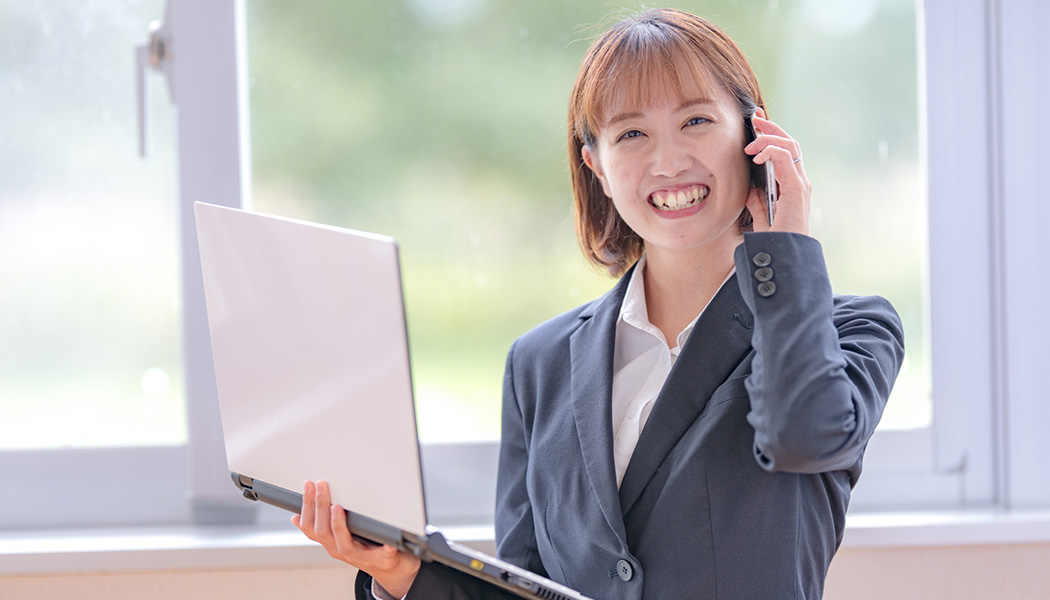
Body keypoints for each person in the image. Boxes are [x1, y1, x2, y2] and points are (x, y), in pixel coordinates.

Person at [295, 8, 905, 600]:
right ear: (598, 167)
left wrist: (786, 249)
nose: (669, 162)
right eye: (632, 134)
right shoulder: (539, 363)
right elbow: (529, 587)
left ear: (755, 137)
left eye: (696, 121)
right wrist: (404, 575)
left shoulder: (847, 331)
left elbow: (803, 438)